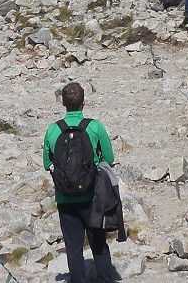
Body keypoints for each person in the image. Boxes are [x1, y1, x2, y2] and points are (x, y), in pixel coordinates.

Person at [42, 82, 116, 283]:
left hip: (65, 199)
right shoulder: (95, 127)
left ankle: (78, 279)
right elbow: (109, 159)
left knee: (73, 246)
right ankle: (106, 279)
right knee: (98, 243)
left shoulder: (53, 130)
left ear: (63, 102)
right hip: (92, 197)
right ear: (84, 102)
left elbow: (47, 162)